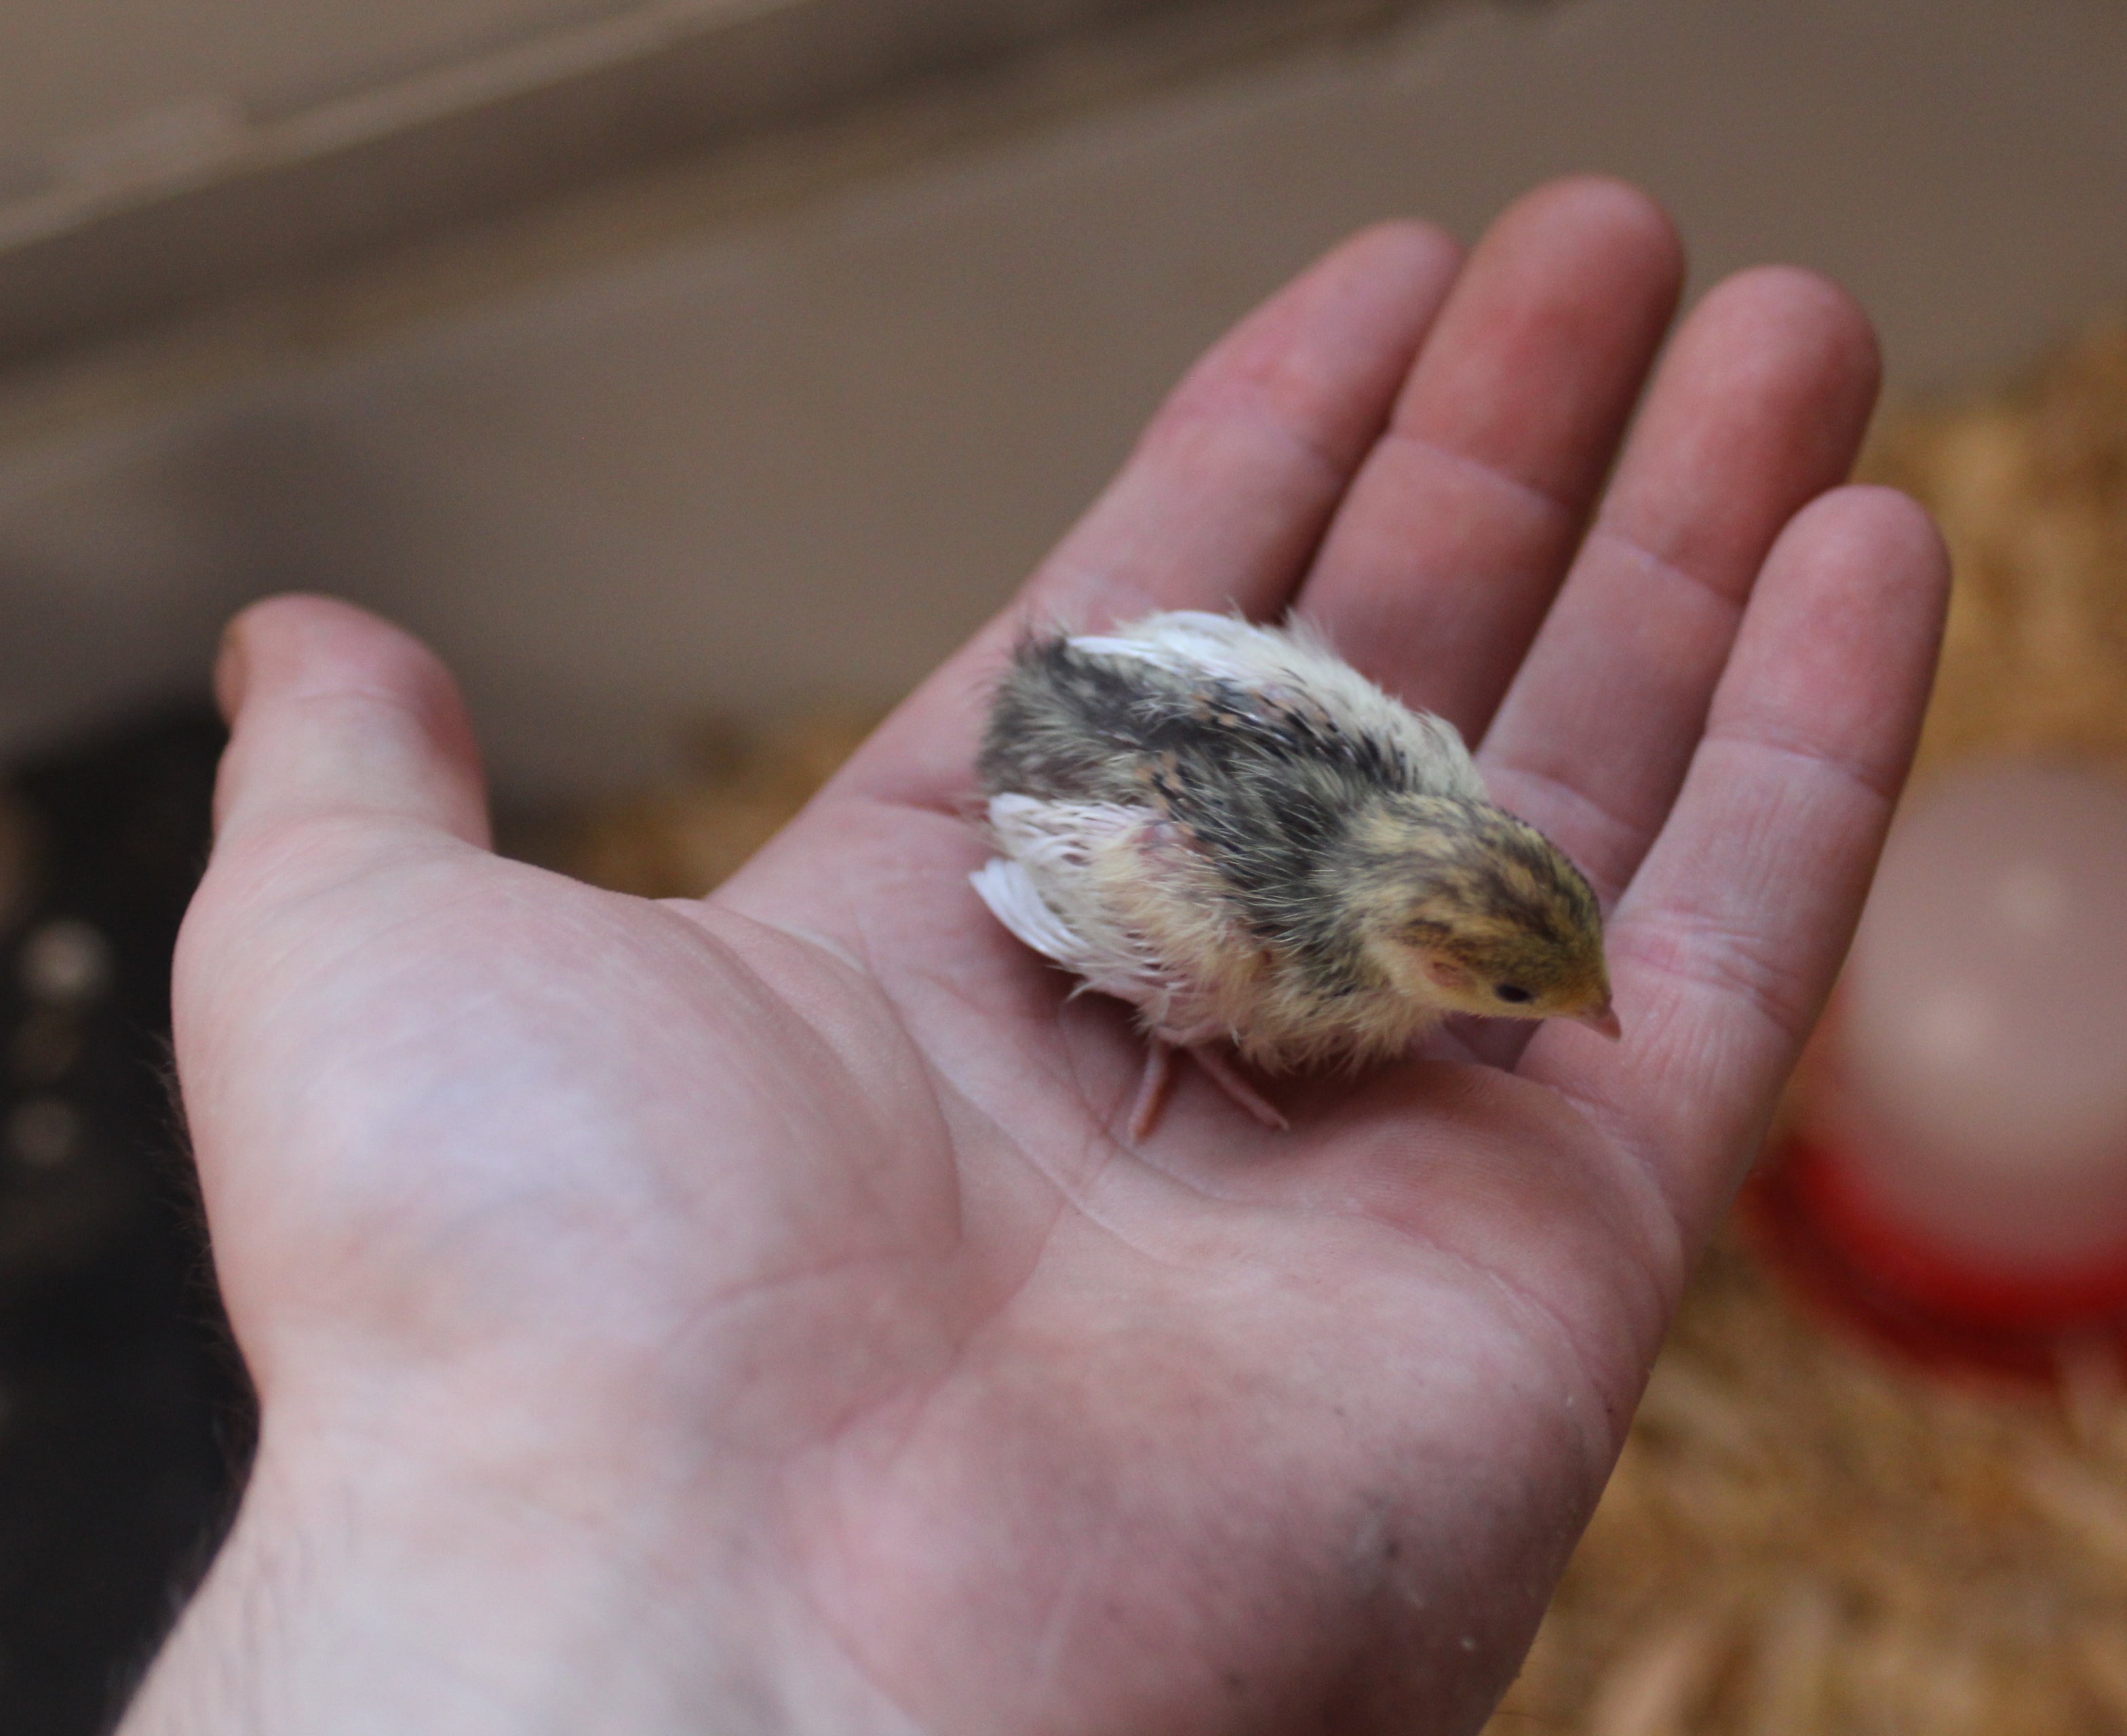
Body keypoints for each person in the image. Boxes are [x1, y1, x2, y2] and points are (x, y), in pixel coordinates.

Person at [120, 176, 1946, 1734]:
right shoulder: (1270, 964)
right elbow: (1091, 844)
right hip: (1094, 786)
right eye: (1522, 992)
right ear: (1430, 956)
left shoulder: (1423, 793)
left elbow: (1211, 679)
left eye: (1548, 986)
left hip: (1135, 712)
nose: (1578, 1019)